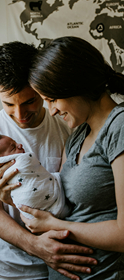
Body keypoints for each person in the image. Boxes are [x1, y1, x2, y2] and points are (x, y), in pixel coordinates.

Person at [0, 41, 97, 280]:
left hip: (60, 264)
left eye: (29, 101)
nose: (19, 114)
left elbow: (74, 194)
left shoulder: (68, 126)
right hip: (4, 268)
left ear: (41, 87)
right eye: (8, 104)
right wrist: (35, 246)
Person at [16, 36, 124, 279]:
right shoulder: (77, 135)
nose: (52, 110)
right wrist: (14, 194)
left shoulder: (119, 127)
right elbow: (62, 205)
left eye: (53, 99)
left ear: (76, 85)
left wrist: (56, 226)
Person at [0, 134, 70, 219]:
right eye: (13, 148)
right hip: (28, 223)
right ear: (3, 160)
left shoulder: (64, 130)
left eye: (15, 142)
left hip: (37, 217)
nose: (20, 145)